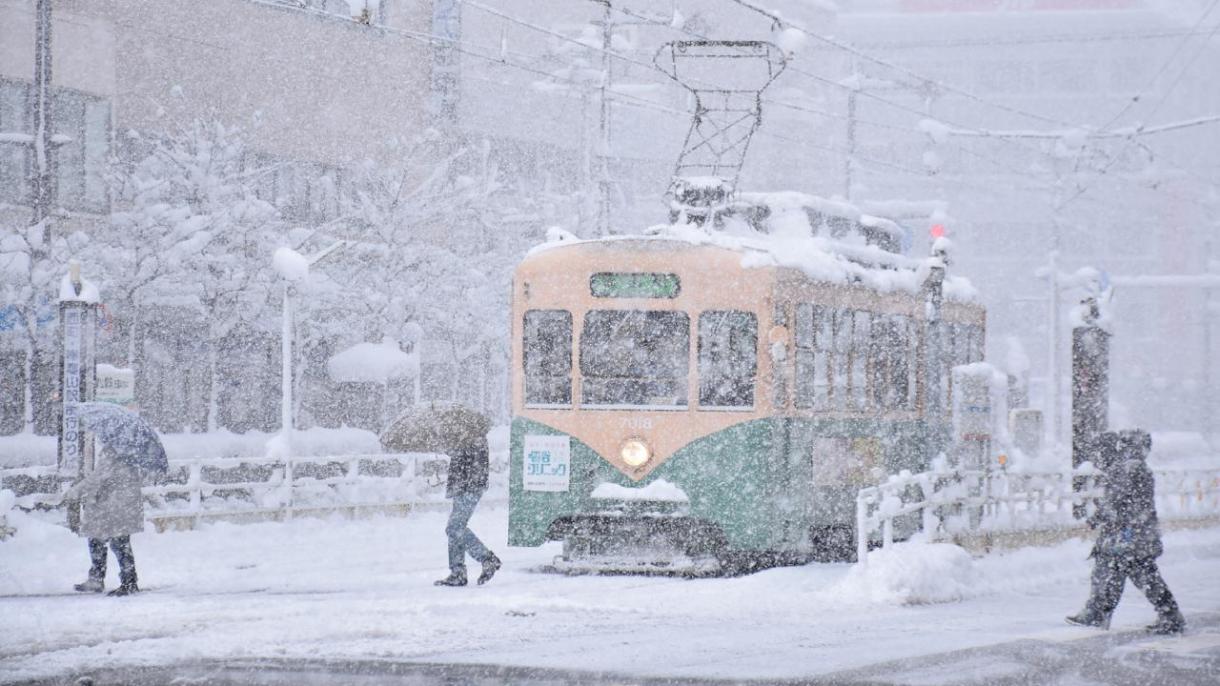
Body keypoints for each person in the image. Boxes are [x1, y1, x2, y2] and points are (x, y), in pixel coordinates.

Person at [1066, 429, 1185, 634]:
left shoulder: (1126, 468)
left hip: (1127, 533)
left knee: (1125, 572)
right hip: (1136, 532)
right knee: (1123, 572)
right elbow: (1127, 502)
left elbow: (1117, 501)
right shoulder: (1135, 466)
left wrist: (1098, 518)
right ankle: (1168, 615)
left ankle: (1099, 613)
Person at [65, 446, 144, 596]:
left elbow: (97, 478)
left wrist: (76, 491)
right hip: (118, 507)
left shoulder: (115, 452)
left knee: (117, 543)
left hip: (114, 508)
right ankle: (108, 579)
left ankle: (126, 582)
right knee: (102, 540)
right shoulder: (133, 454)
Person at [435, 435, 501, 587]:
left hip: (469, 486)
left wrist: (453, 447)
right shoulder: (467, 435)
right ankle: (457, 572)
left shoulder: (471, 436)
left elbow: (469, 460)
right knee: (456, 528)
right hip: (463, 486)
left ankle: (486, 559)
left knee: (454, 528)